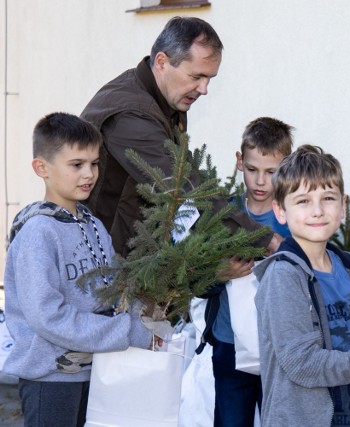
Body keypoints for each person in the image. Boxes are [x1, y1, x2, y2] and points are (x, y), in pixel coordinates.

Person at [3, 112, 155, 427]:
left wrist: (146, 314)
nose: (89, 174)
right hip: (50, 379)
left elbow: (115, 288)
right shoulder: (38, 234)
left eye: (94, 163)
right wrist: (126, 331)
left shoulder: (94, 225)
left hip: (97, 371)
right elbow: (48, 317)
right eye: (77, 165)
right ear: (41, 168)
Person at [81, 16, 278, 257]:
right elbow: (182, 189)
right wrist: (264, 240)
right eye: (196, 77)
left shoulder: (165, 99)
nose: (204, 89)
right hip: (103, 265)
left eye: (209, 79)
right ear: (162, 62)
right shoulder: (130, 115)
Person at [253, 144, 350, 427]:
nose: (317, 211)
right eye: (303, 201)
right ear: (280, 210)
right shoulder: (283, 276)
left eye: (328, 198)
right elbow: (302, 365)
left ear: (342, 206)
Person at [205, 117, 294, 427]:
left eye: (271, 173)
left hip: (280, 347)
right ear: (239, 162)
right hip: (229, 343)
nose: (260, 182)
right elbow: (194, 276)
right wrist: (221, 273)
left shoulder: (294, 218)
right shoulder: (224, 213)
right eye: (253, 169)